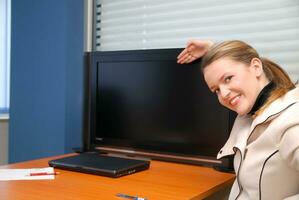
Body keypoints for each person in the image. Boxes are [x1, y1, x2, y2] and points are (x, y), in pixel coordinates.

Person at [177, 40, 299, 200]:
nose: (224, 94)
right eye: (216, 90)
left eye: (228, 79)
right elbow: (237, 61)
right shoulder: (252, 112)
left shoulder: (290, 122)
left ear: (256, 67)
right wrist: (213, 49)